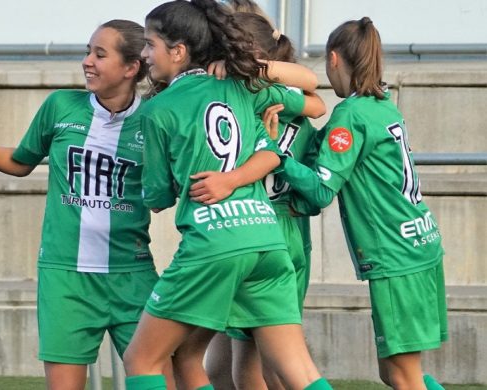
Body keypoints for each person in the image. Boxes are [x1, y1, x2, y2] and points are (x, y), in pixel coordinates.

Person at [0, 20, 174, 390]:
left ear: (131, 68)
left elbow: (163, 194)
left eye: (100, 55)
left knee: (158, 380)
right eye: (88, 51)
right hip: (64, 276)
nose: (87, 61)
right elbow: (22, 161)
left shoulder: (155, 118)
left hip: (132, 274)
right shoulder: (60, 105)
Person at [122, 1, 331, 390]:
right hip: (267, 241)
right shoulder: (242, 85)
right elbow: (299, 108)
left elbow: (157, 197)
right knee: (299, 372)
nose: (145, 54)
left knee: (142, 359)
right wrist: (235, 177)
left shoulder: (157, 110)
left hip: (214, 246)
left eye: (150, 44)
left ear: (179, 51)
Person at [279, 17, 447, 390]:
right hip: (420, 243)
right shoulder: (382, 104)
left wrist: (278, 158)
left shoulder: (351, 114)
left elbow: (323, 189)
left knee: (403, 376)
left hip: (396, 255)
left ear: (334, 59)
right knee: (397, 373)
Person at [175, 10, 322, 390]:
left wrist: (254, 69)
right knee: (243, 355)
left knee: (250, 358)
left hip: (250, 224)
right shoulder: (279, 93)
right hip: (281, 231)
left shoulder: (246, 90)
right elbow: (316, 101)